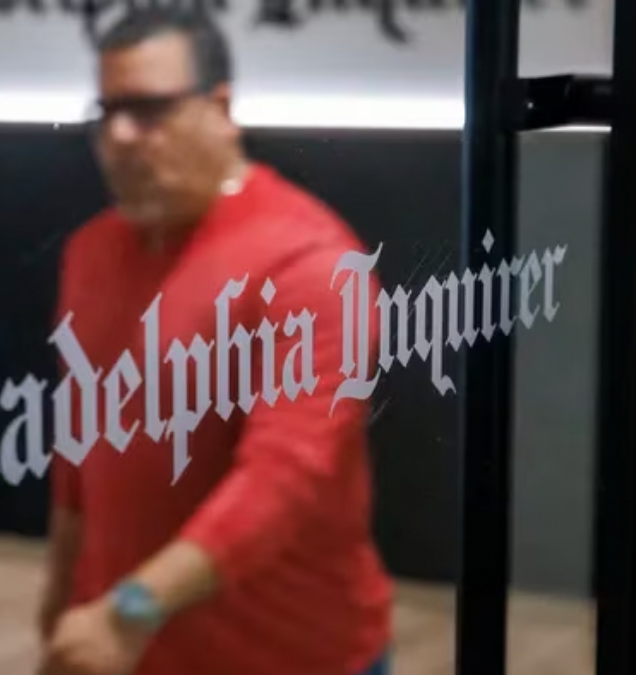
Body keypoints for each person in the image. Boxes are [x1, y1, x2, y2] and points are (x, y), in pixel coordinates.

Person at [37, 8, 393, 675]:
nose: (119, 137)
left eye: (148, 110)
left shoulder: (309, 263)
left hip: (295, 658)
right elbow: (80, 454)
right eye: (106, 112)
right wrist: (61, 600)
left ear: (220, 109)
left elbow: (284, 476)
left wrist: (126, 610)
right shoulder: (92, 252)